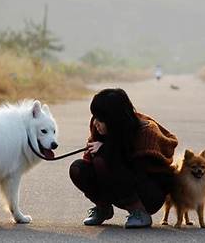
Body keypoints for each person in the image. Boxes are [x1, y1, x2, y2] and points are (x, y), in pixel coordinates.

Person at [69, 88, 178, 228]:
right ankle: (103, 209)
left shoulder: (146, 131)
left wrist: (106, 148)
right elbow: (90, 161)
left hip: (148, 192)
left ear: (114, 119)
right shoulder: (100, 128)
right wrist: (98, 150)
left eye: (101, 119)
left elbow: (141, 170)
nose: (96, 122)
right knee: (78, 168)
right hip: (118, 185)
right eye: (95, 117)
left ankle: (139, 212)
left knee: (104, 159)